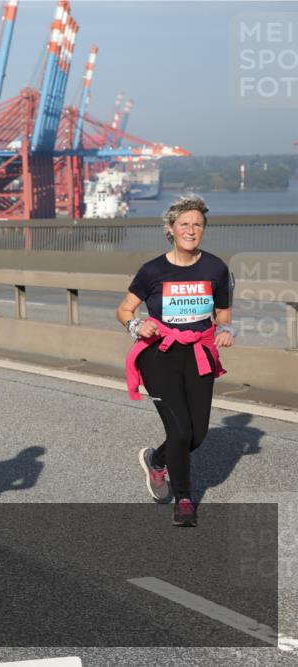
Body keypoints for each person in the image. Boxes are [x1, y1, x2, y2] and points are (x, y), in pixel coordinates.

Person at [118, 194, 234, 528]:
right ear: (171, 229)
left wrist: (224, 328)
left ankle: (156, 459)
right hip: (160, 356)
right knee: (180, 431)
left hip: (199, 354)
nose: (191, 229)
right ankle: (184, 499)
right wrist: (137, 324)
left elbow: (223, 310)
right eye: (184, 224)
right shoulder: (152, 271)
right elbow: (124, 309)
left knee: (197, 435)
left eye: (197, 224)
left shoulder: (216, 267)